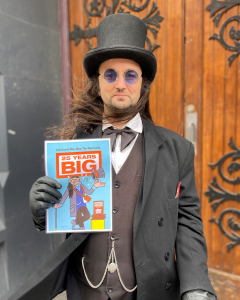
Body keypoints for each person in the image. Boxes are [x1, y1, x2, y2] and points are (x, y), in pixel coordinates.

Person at [27, 13, 218, 300]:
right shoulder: (72, 143)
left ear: (143, 83)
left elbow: (188, 222)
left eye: (130, 75)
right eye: (110, 74)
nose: (120, 84)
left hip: (151, 291)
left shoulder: (177, 149)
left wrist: (197, 287)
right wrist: (41, 208)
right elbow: (62, 214)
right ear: (97, 82)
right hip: (84, 289)